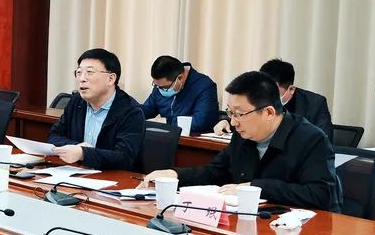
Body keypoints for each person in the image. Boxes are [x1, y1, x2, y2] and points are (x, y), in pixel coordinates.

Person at [144, 71, 342, 211]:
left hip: (300, 233)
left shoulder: (311, 139)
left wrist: (255, 187)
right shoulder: (242, 135)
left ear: (269, 113)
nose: (233, 122)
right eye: (230, 112)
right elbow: (214, 172)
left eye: (239, 114)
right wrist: (174, 175)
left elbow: (319, 195)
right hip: (252, 222)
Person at [47, 48, 145, 170]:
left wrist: (84, 153)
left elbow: (124, 158)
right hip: (78, 173)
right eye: (79, 72)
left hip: (114, 178)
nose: (82, 78)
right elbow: (53, 136)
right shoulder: (77, 101)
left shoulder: (131, 111)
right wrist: (78, 147)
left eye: (89, 72)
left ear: (111, 79)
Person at [213, 58, 332, 137]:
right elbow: (248, 116)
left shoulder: (315, 104)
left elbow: (323, 140)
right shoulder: (256, 97)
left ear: (291, 90)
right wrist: (226, 122)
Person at [140, 55, 218, 133]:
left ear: (180, 78)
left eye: (164, 87)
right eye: (156, 85)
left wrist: (167, 122)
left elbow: (201, 122)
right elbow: (147, 111)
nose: (160, 90)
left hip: (191, 138)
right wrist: (134, 112)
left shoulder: (204, 86)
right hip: (166, 136)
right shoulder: (161, 85)